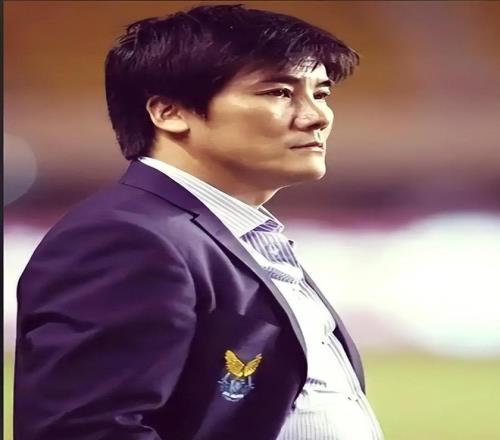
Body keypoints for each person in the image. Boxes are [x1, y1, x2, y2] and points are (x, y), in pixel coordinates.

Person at [14, 4, 384, 440]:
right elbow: (83, 431)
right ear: (169, 112)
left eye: (321, 94)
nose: (316, 116)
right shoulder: (125, 238)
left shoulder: (228, 234)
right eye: (279, 92)